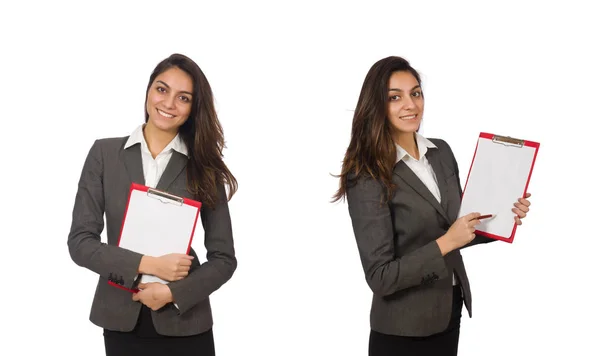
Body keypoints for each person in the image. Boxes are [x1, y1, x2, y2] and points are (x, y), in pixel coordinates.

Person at [332, 56, 532, 356]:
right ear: (377, 106)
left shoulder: (440, 152)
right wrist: (446, 242)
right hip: (403, 330)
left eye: (416, 93)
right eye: (394, 98)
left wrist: (505, 216)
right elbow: (381, 277)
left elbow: (459, 226)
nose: (410, 105)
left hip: (449, 310)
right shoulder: (367, 174)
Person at [67, 53, 237, 356]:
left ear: (193, 109)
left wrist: (173, 292)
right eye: (162, 89)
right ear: (148, 91)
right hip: (121, 319)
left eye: (183, 97)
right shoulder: (104, 154)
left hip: (186, 321)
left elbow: (224, 259)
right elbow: (81, 242)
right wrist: (150, 265)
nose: (169, 103)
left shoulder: (205, 167)